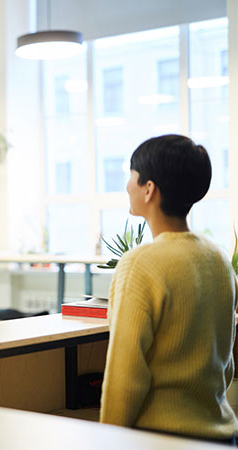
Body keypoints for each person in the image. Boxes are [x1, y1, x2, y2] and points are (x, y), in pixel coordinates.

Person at [99, 134, 238, 444]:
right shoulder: (218, 259)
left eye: (132, 175)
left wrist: (106, 440)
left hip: (161, 438)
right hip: (220, 436)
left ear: (149, 189)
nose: (127, 186)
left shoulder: (140, 264)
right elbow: (226, 365)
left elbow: (125, 374)